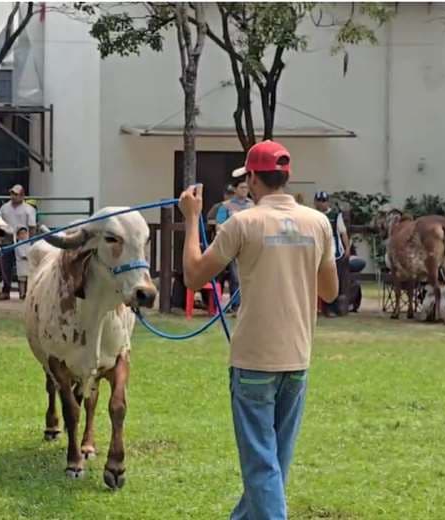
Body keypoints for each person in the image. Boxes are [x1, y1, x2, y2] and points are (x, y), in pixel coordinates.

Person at [178, 140, 339, 520]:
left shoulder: (242, 223)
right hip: (297, 357)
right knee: (274, 463)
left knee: (261, 465)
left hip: (253, 359)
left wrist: (190, 219)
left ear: (252, 179)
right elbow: (330, 291)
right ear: (286, 177)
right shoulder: (318, 223)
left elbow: (193, 276)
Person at [217, 180, 254, 313]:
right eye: (242, 187)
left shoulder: (254, 206)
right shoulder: (226, 207)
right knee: (235, 277)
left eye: (246, 187)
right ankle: (236, 305)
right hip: (233, 246)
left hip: (251, 246)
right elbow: (219, 226)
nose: (244, 190)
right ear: (235, 189)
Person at [0, 184, 36, 300]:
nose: (13, 196)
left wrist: (31, 243)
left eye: (16, 194)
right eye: (12, 194)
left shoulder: (29, 209)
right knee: (5, 266)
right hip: (7, 239)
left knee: (24, 268)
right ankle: (6, 289)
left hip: (23, 241)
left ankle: (24, 291)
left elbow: (32, 227)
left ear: (22, 196)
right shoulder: (4, 208)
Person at [314, 191, 348, 316]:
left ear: (327, 202)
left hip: (335, 252)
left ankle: (335, 307)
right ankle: (325, 308)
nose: (321, 204)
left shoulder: (335, 215)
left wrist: (347, 248)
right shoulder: (314, 215)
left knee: (335, 280)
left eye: (323, 201)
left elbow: (343, 232)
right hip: (319, 252)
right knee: (321, 281)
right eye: (318, 201)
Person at [15, 226, 31, 300]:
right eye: (21, 234)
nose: (23, 235)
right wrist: (30, 257)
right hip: (22, 265)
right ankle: (22, 294)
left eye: (25, 233)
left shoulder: (29, 243)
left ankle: (28, 293)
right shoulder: (18, 245)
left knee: (28, 280)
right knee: (22, 280)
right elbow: (23, 255)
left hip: (28, 265)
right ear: (18, 236)